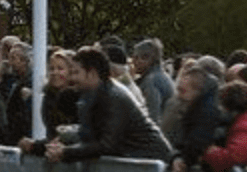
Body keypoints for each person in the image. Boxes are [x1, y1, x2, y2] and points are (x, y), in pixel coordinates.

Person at [26, 47, 174, 164]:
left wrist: (65, 153)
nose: (72, 79)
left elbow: (106, 144)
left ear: (92, 73)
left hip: (151, 163)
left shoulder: (114, 97)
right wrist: (46, 146)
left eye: (76, 72)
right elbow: (85, 137)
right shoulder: (89, 97)